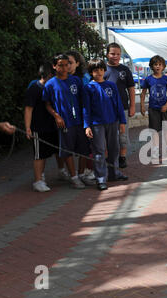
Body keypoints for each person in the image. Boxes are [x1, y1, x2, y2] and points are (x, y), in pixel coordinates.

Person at [43, 53, 94, 189]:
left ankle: (82, 174)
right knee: (67, 150)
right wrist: (56, 116)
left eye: (67, 64)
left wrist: (86, 121)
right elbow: (47, 104)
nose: (64, 68)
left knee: (84, 149)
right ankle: (74, 177)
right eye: (61, 65)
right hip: (65, 122)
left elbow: (83, 101)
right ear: (54, 66)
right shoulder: (50, 84)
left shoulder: (76, 81)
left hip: (80, 121)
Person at [24, 62, 72, 192]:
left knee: (59, 150)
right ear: (50, 75)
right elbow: (28, 109)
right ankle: (38, 180)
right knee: (40, 155)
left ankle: (61, 171)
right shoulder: (34, 88)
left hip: (54, 125)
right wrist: (28, 128)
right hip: (39, 128)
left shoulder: (54, 86)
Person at [83, 58, 128, 191]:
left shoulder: (111, 86)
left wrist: (122, 121)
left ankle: (114, 173)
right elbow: (86, 108)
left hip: (113, 122)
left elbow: (118, 104)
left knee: (114, 149)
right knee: (99, 151)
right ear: (91, 72)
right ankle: (101, 178)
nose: (99, 72)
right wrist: (87, 126)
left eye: (101, 69)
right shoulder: (89, 87)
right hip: (97, 124)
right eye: (96, 70)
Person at [104, 42, 136, 168]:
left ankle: (122, 157)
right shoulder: (103, 69)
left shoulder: (125, 70)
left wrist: (132, 106)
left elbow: (131, 88)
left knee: (123, 133)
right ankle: (109, 157)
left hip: (122, 108)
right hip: (106, 109)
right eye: (112, 54)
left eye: (118, 54)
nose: (115, 56)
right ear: (107, 54)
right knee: (108, 135)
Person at [66, 50, 94, 180]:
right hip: (68, 121)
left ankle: (86, 171)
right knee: (67, 148)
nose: (68, 66)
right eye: (65, 63)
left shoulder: (85, 79)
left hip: (84, 118)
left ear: (77, 63)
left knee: (86, 147)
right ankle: (71, 174)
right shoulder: (60, 79)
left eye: (70, 63)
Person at [140, 55, 167, 159]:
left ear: (163, 66)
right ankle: (155, 150)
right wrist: (142, 106)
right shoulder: (148, 79)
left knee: (166, 129)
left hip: (164, 108)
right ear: (152, 66)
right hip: (153, 108)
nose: (158, 66)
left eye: (160, 64)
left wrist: (166, 105)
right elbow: (143, 93)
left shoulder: (166, 78)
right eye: (155, 64)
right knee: (154, 130)